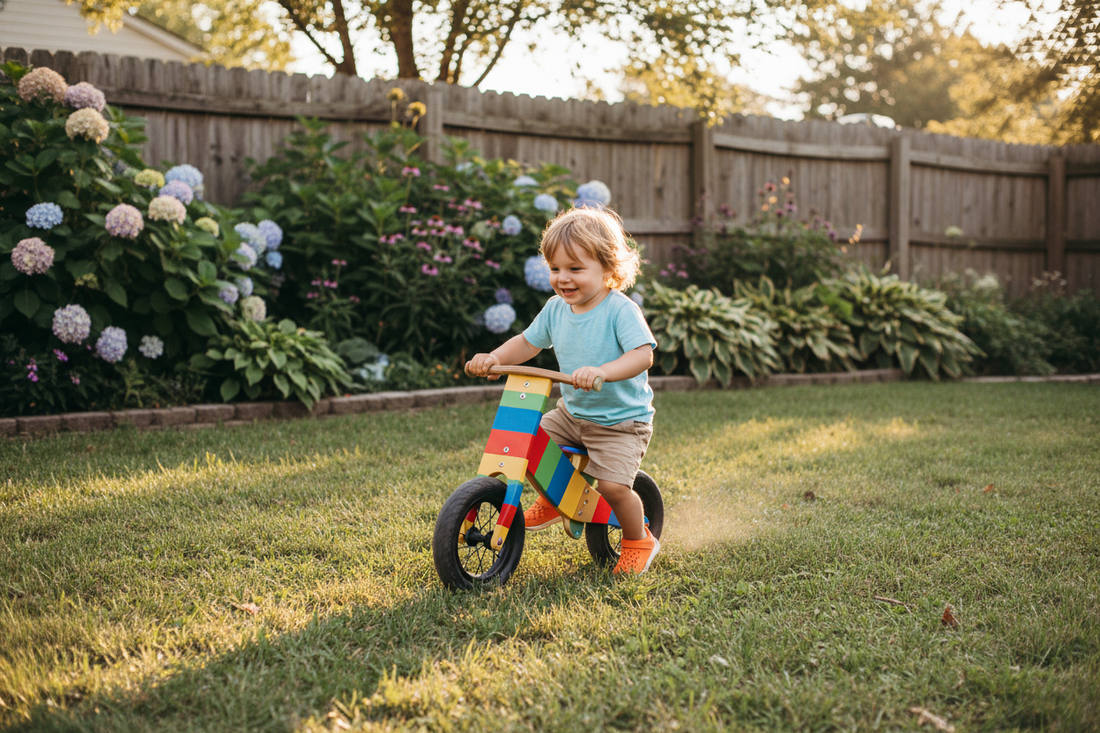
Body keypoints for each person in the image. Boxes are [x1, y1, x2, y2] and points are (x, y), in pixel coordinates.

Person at [467, 207, 659, 574]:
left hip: (620, 422)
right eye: (555, 269)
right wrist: (493, 357)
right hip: (573, 414)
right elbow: (527, 343)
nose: (563, 279)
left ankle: (638, 539)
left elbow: (642, 356)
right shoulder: (556, 309)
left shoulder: (620, 310)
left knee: (613, 487)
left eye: (575, 269)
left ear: (607, 269)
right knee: (528, 442)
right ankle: (557, 499)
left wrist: (602, 371)